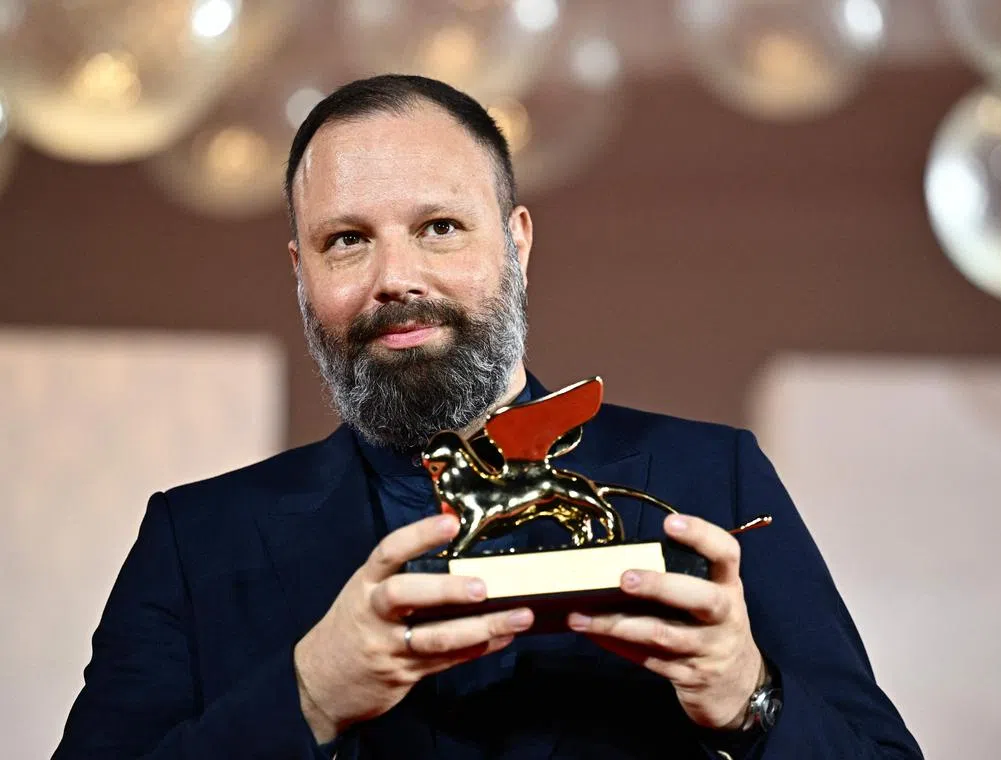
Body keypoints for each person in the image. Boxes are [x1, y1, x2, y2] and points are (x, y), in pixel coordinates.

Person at [54, 74, 922, 760]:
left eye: (438, 227)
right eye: (346, 240)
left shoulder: (710, 477)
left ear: (518, 243)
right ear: (300, 270)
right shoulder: (197, 539)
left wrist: (749, 698)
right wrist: (309, 694)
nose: (395, 276)